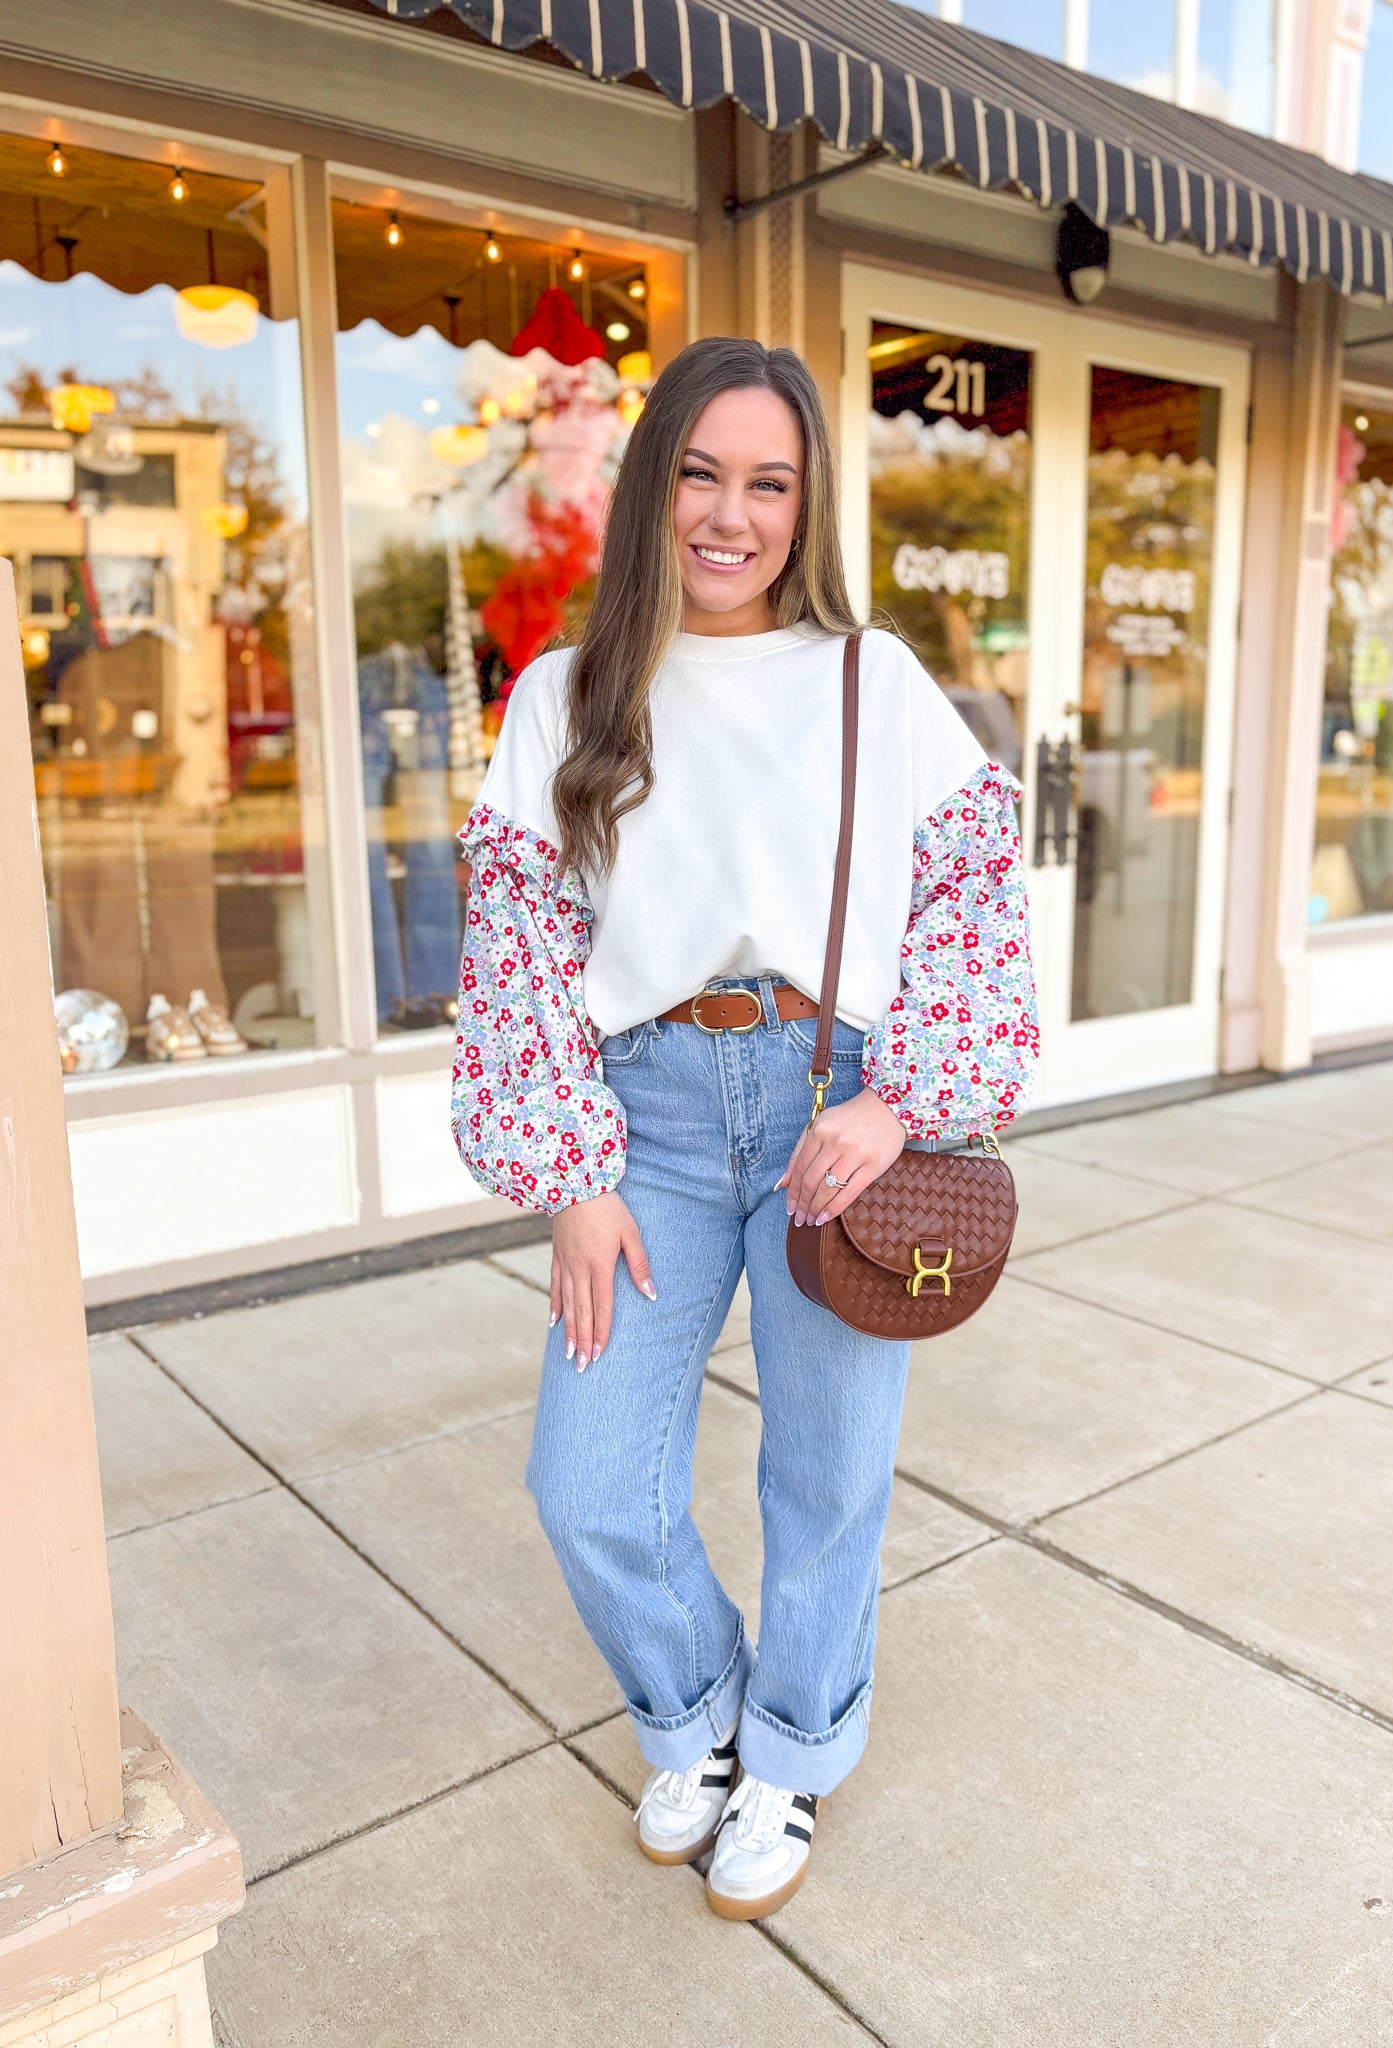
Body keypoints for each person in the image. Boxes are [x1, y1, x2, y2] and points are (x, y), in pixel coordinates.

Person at [451, 337, 1038, 1920]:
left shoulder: (871, 682)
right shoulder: (562, 696)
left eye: (767, 482)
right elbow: (517, 948)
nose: (730, 514)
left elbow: (973, 903)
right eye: (700, 473)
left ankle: (789, 1749)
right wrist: (569, 1180)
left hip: (828, 1105)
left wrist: (899, 1097)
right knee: (585, 1482)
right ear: (650, 487)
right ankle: (693, 1714)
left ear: (804, 503)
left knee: (827, 1473)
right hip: (635, 1109)